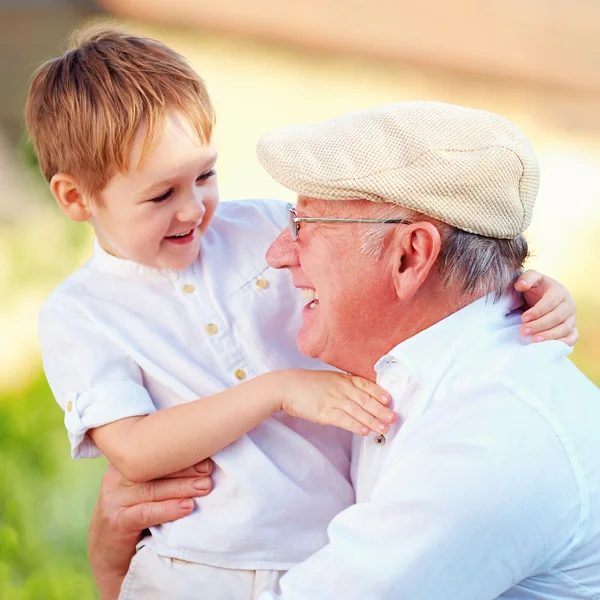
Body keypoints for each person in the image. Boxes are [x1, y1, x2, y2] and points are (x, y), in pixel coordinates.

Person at [83, 101, 586, 599]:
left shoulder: (487, 442)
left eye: (304, 226)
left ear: (411, 255)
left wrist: (111, 566)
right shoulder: (424, 364)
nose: (276, 255)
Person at [29, 27, 400, 600]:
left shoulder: (261, 228)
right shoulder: (80, 315)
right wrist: (277, 390)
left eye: (204, 175)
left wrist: (516, 282)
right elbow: (134, 448)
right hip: (201, 569)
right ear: (77, 199)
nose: (193, 208)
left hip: (336, 543)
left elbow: (388, 257)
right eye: (160, 196)